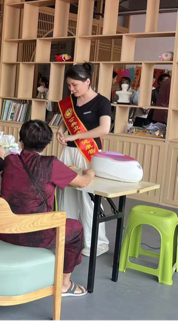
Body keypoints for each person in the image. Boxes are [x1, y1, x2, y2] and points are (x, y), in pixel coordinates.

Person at [0, 120, 95, 297]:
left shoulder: (9, 160)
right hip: (34, 234)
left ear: (21, 140)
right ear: (47, 144)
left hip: (3, 229)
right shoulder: (51, 164)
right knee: (76, 229)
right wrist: (90, 172)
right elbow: (83, 182)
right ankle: (64, 284)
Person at [56, 62, 111, 256]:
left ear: (87, 81)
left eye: (75, 85)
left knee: (88, 199)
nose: (71, 89)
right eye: (69, 85)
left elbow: (104, 129)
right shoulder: (71, 101)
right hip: (69, 153)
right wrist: (60, 132)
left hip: (89, 154)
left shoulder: (102, 102)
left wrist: (76, 136)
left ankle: (96, 243)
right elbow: (64, 121)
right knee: (67, 196)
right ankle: (69, 238)